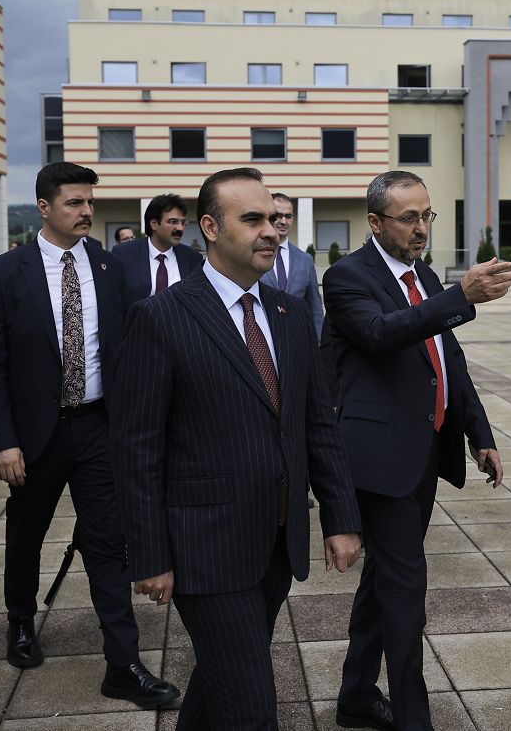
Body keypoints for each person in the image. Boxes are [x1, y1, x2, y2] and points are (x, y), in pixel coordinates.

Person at [113, 167, 361, 729]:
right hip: (205, 549)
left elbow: (317, 424)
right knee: (251, 707)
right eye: (252, 219)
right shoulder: (161, 317)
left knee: (220, 681)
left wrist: (340, 518)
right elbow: (136, 447)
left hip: (276, 542)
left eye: (274, 218)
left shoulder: (290, 313)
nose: (271, 231)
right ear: (209, 227)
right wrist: (150, 554)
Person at [0, 162, 178, 708]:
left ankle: (123, 662)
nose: (86, 211)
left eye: (90, 202)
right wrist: (2, 441)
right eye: (74, 202)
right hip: (35, 434)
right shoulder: (2, 274)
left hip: (98, 428)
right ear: (44, 207)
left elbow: (129, 349)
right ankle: (21, 620)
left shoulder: (111, 269)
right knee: (25, 537)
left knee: (108, 545)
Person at [323, 170, 511, 731]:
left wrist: (479, 434)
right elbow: (384, 333)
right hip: (379, 459)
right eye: (408, 217)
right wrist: (458, 296)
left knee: (382, 582)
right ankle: (414, 718)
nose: (421, 228)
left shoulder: (423, 274)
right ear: (375, 221)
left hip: (424, 454)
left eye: (427, 215)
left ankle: (356, 695)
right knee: (406, 595)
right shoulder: (345, 277)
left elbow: (447, 361)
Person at [111, 193, 203, 304]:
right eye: (173, 222)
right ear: (154, 224)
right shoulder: (124, 254)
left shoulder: (192, 258)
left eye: (183, 223)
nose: (180, 228)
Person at [259, 192, 324, 338]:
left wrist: (319, 341)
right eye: (278, 215)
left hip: (298, 338)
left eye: (288, 216)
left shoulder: (305, 260)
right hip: (263, 338)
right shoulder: (253, 256)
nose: (283, 221)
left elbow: (315, 307)